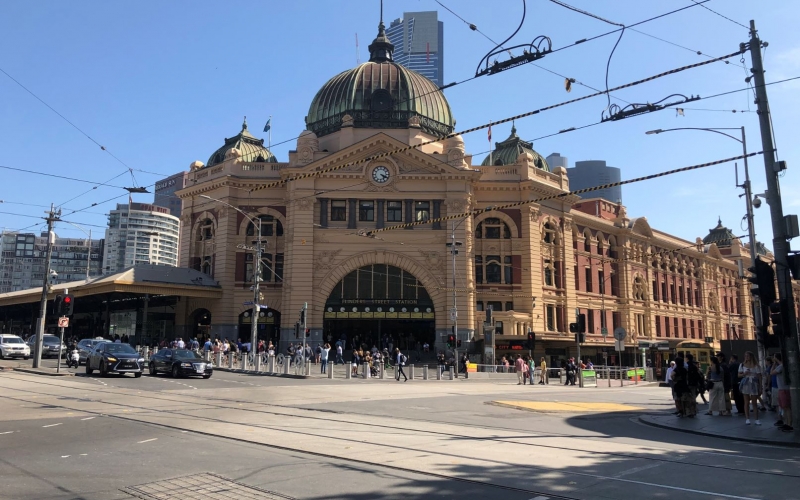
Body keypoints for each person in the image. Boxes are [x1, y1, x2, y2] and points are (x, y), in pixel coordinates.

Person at [739, 351, 762, 425]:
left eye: (748, 356)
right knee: (746, 402)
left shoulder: (756, 366)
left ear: (751, 357)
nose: (746, 357)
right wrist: (744, 374)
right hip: (746, 383)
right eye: (745, 356)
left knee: (754, 402)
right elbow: (738, 375)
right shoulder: (742, 365)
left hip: (754, 383)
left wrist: (760, 386)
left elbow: (759, 377)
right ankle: (747, 418)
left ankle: (756, 419)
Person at [771, 353, 793, 432]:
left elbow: (771, 373)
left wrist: (774, 363)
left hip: (784, 389)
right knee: (784, 407)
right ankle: (786, 423)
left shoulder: (781, 366)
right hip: (781, 388)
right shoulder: (781, 366)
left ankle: (789, 424)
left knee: (786, 407)